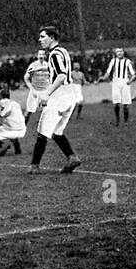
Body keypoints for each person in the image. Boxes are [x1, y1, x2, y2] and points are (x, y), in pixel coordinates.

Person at [28, 26, 81, 175]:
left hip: (60, 95)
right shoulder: (62, 51)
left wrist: (47, 94)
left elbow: (61, 75)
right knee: (57, 132)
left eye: (43, 36)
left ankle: (34, 166)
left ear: (52, 38)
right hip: (70, 96)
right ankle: (72, 158)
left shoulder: (53, 55)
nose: (40, 40)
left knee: (42, 131)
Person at [22, 48, 52, 143]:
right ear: (37, 55)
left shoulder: (49, 65)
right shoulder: (33, 65)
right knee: (28, 112)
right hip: (34, 92)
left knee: (44, 111)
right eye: (39, 54)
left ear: (45, 56)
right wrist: (31, 89)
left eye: (43, 54)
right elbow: (26, 78)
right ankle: (21, 129)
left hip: (44, 92)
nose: (41, 56)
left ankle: (42, 132)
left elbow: (52, 78)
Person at [100, 48, 136, 126]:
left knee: (125, 104)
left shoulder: (127, 61)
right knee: (116, 103)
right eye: (117, 52)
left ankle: (126, 121)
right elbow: (108, 72)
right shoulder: (113, 61)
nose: (119, 53)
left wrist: (130, 81)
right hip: (116, 82)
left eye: (121, 51)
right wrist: (103, 77)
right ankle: (117, 120)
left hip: (125, 82)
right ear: (116, 53)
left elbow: (133, 74)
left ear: (123, 52)